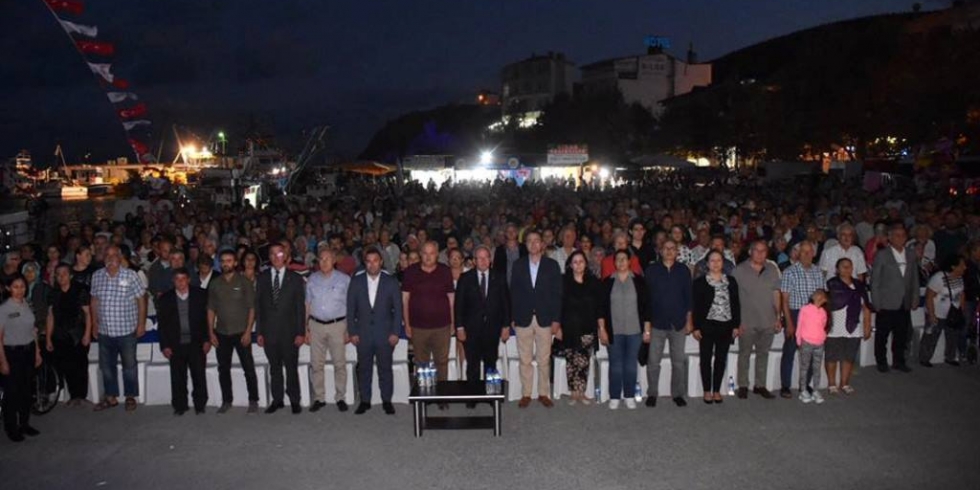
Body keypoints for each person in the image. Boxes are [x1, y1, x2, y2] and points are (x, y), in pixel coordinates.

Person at [508, 230, 562, 408]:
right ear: (525, 245)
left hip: (545, 317)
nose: (533, 244)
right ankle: (526, 393)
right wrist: (513, 316)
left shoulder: (552, 265)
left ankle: (543, 393)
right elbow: (513, 292)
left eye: (536, 240)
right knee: (524, 359)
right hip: (523, 317)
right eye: (529, 241)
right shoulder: (518, 265)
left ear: (542, 244)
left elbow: (557, 294)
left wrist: (556, 319)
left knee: (543, 359)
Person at [90, 245, 147, 412]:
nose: (110, 258)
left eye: (114, 255)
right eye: (107, 255)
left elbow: (141, 300)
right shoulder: (97, 276)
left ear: (120, 257)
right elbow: (94, 301)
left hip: (126, 331)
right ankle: (111, 397)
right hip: (105, 331)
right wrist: (94, 323)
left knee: (129, 366)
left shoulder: (130, 275)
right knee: (107, 367)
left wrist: (141, 324)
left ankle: (130, 396)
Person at [347, 247, 402, 415]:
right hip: (363, 333)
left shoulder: (390, 281)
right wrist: (352, 331)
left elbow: (398, 309)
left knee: (385, 368)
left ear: (381, 262)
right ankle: (365, 401)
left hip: (385, 333)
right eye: (369, 261)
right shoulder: (356, 281)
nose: (372, 264)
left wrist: (395, 332)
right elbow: (350, 308)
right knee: (364, 369)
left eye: (375, 261)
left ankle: (387, 401)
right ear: (365, 263)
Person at [454, 246, 511, 405]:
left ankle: (490, 396)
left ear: (490, 260)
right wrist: (459, 327)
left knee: (490, 363)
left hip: (492, 328)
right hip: (471, 329)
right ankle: (472, 397)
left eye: (486, 257)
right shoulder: (465, 278)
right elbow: (459, 305)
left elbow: (506, 303)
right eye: (479, 258)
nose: (483, 261)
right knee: (472, 364)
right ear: (474, 261)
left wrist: (506, 326)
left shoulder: (499, 277)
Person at [256, 244, 306, 414]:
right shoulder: (262, 278)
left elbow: (300, 308)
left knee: (291, 368)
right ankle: (277, 400)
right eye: (272, 253)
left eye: (279, 253)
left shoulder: (296, 278)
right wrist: (260, 332)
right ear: (269, 257)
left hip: (290, 332)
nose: (276, 256)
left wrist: (300, 332)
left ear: (285, 256)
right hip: (269, 332)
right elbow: (259, 307)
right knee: (274, 368)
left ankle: (294, 400)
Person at [207, 250, 260, 414]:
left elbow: (252, 308)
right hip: (222, 332)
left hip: (241, 332)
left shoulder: (244, 282)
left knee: (248, 368)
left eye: (229, 260)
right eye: (223, 261)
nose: (226, 264)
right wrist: (211, 332)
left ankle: (253, 400)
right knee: (223, 369)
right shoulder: (215, 283)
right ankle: (226, 400)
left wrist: (248, 331)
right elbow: (210, 309)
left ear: (236, 263)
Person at [402, 241, 455, 397]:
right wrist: (407, 324)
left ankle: (442, 395)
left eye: (432, 253)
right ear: (420, 254)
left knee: (442, 362)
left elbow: (451, 299)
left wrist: (453, 322)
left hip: (442, 326)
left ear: (437, 254)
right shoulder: (410, 272)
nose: (428, 256)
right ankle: (424, 396)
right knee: (421, 363)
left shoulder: (445, 271)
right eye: (425, 253)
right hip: (418, 326)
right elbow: (405, 299)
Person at [644, 239, 692, 408]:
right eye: (666, 248)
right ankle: (652, 393)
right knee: (653, 362)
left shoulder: (683, 270)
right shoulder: (651, 270)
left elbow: (689, 297)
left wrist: (689, 320)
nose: (669, 251)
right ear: (660, 251)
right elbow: (646, 299)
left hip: (678, 323)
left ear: (677, 251)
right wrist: (647, 324)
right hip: (657, 323)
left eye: (673, 248)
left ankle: (677, 394)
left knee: (678, 362)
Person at [601, 250, 651, 410]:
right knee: (615, 365)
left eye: (624, 259)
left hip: (635, 331)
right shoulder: (607, 282)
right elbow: (601, 309)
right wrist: (602, 329)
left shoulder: (639, 281)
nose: (621, 262)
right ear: (614, 263)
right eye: (618, 259)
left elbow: (647, 307)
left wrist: (647, 330)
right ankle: (614, 396)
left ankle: (629, 395)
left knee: (630, 365)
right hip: (613, 331)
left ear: (630, 262)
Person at [731, 240, 781, 400]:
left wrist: (778, 317)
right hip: (746, 321)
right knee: (744, 354)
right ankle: (743, 385)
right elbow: (732, 298)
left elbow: (776, 294)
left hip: (768, 320)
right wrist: (736, 322)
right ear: (750, 251)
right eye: (756, 250)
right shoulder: (739, 270)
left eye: (763, 251)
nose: (760, 254)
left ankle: (760, 385)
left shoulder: (772, 269)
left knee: (763, 354)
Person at [157, 268, 210, 415]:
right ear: (173, 281)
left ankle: (200, 405)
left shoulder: (200, 295)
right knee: (177, 377)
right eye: (177, 279)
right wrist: (164, 345)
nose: (180, 282)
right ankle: (180, 406)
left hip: (196, 342)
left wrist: (207, 339)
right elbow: (162, 324)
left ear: (189, 280)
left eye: (183, 279)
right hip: (175, 344)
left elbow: (207, 320)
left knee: (199, 375)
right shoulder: (165, 298)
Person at [305, 248, 352, 413]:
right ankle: (319, 398)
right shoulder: (312, 279)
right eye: (321, 259)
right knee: (316, 364)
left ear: (334, 260)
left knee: (340, 364)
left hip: (337, 325)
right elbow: (307, 304)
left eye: (327, 259)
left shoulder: (344, 279)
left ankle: (340, 397)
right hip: (316, 325)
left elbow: (351, 305)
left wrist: (349, 329)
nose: (324, 262)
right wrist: (306, 328)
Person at [692, 250, 741, 404]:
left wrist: (736, 325)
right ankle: (707, 390)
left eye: (718, 260)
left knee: (721, 359)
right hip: (706, 325)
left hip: (726, 325)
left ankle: (717, 390)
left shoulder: (731, 281)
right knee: (705, 359)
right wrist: (696, 327)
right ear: (707, 263)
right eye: (712, 260)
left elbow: (736, 304)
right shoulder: (699, 282)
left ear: (723, 263)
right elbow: (696, 307)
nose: (715, 263)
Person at [870, 224, 920, 373]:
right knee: (882, 335)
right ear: (890, 238)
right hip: (886, 301)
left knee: (901, 335)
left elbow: (914, 278)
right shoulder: (882, 254)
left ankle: (899, 361)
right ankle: (881, 361)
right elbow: (875, 281)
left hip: (904, 302)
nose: (900, 238)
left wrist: (915, 297)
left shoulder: (910, 254)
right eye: (897, 235)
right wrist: (876, 302)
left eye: (903, 235)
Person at [556, 251, 602, 405]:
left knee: (583, 361)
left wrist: (601, 326)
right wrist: (558, 327)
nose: (578, 264)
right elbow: (558, 306)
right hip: (568, 327)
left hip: (587, 327)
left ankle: (581, 393)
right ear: (570, 265)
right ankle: (574, 393)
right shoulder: (563, 281)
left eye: (581, 261)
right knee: (572, 361)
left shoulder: (593, 282)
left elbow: (599, 306)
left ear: (586, 264)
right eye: (575, 262)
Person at [779, 241, 824, 398]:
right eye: (803, 251)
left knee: (810, 352)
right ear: (798, 254)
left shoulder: (818, 272)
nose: (806, 254)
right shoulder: (789, 272)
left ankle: (804, 385)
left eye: (809, 251)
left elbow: (822, 297)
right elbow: (784, 300)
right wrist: (789, 322)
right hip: (795, 313)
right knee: (790, 351)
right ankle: (785, 386)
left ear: (814, 253)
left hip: (814, 316)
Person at [0, 276, 42, 442]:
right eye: (15, 287)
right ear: (8, 288)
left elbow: (33, 330)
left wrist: (37, 352)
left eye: (22, 286)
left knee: (26, 391)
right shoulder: (4, 309)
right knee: (11, 393)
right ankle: (11, 428)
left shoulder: (26, 304)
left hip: (28, 350)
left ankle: (24, 424)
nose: (19, 290)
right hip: (11, 353)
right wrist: (3, 361)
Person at [45, 264, 93, 406]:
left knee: (80, 365)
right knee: (66, 366)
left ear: (70, 275)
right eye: (58, 274)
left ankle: (81, 395)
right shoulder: (53, 293)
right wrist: (48, 338)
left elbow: (87, 314)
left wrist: (87, 334)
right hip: (60, 334)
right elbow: (50, 316)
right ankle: (73, 396)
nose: (61, 277)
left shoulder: (80, 290)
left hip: (77, 333)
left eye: (64, 274)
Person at [825, 258, 872, 394]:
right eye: (843, 266)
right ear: (837, 269)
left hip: (854, 326)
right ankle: (832, 384)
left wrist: (867, 325)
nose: (847, 269)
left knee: (849, 356)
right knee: (832, 356)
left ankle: (844, 383)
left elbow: (866, 306)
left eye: (849, 266)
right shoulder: (831, 284)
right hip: (835, 326)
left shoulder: (859, 285)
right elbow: (825, 305)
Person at [920, 255, 967, 367]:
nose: (965, 267)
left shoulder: (959, 278)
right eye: (962, 265)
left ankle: (950, 357)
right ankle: (924, 357)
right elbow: (929, 297)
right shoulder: (939, 278)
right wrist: (932, 315)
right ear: (953, 266)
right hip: (937, 313)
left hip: (953, 313)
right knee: (931, 336)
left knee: (952, 336)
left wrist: (961, 310)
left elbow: (961, 294)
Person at [795, 289, 830, 404]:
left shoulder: (823, 312)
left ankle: (815, 390)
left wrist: (822, 337)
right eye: (817, 295)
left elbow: (823, 325)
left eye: (821, 296)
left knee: (817, 368)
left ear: (824, 300)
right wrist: (799, 340)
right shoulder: (805, 309)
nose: (819, 297)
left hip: (819, 343)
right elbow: (799, 325)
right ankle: (803, 390)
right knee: (804, 367)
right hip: (806, 342)